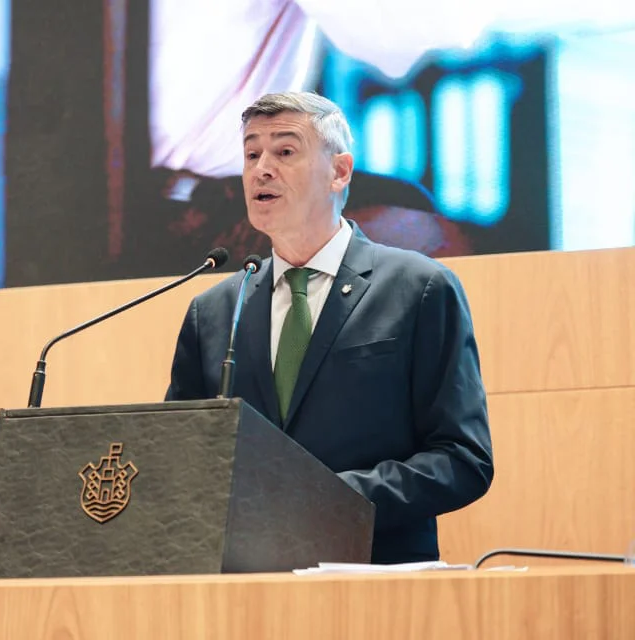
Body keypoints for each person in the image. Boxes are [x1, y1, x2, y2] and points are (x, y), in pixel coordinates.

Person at [165, 91, 494, 564]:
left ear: (339, 171)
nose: (262, 168)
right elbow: (180, 459)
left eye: (284, 151)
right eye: (251, 154)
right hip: (240, 590)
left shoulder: (419, 288)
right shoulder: (215, 309)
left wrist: (327, 499)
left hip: (375, 582)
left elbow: (462, 458)